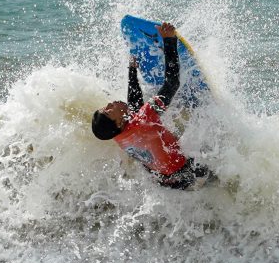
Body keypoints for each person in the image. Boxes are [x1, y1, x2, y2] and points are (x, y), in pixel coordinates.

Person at [91, 22, 212, 190]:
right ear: (118, 122)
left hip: (163, 182)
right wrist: (169, 41)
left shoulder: (119, 136)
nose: (110, 104)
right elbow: (172, 83)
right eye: (109, 110)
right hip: (189, 175)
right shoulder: (143, 120)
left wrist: (132, 70)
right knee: (214, 162)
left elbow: (135, 109)